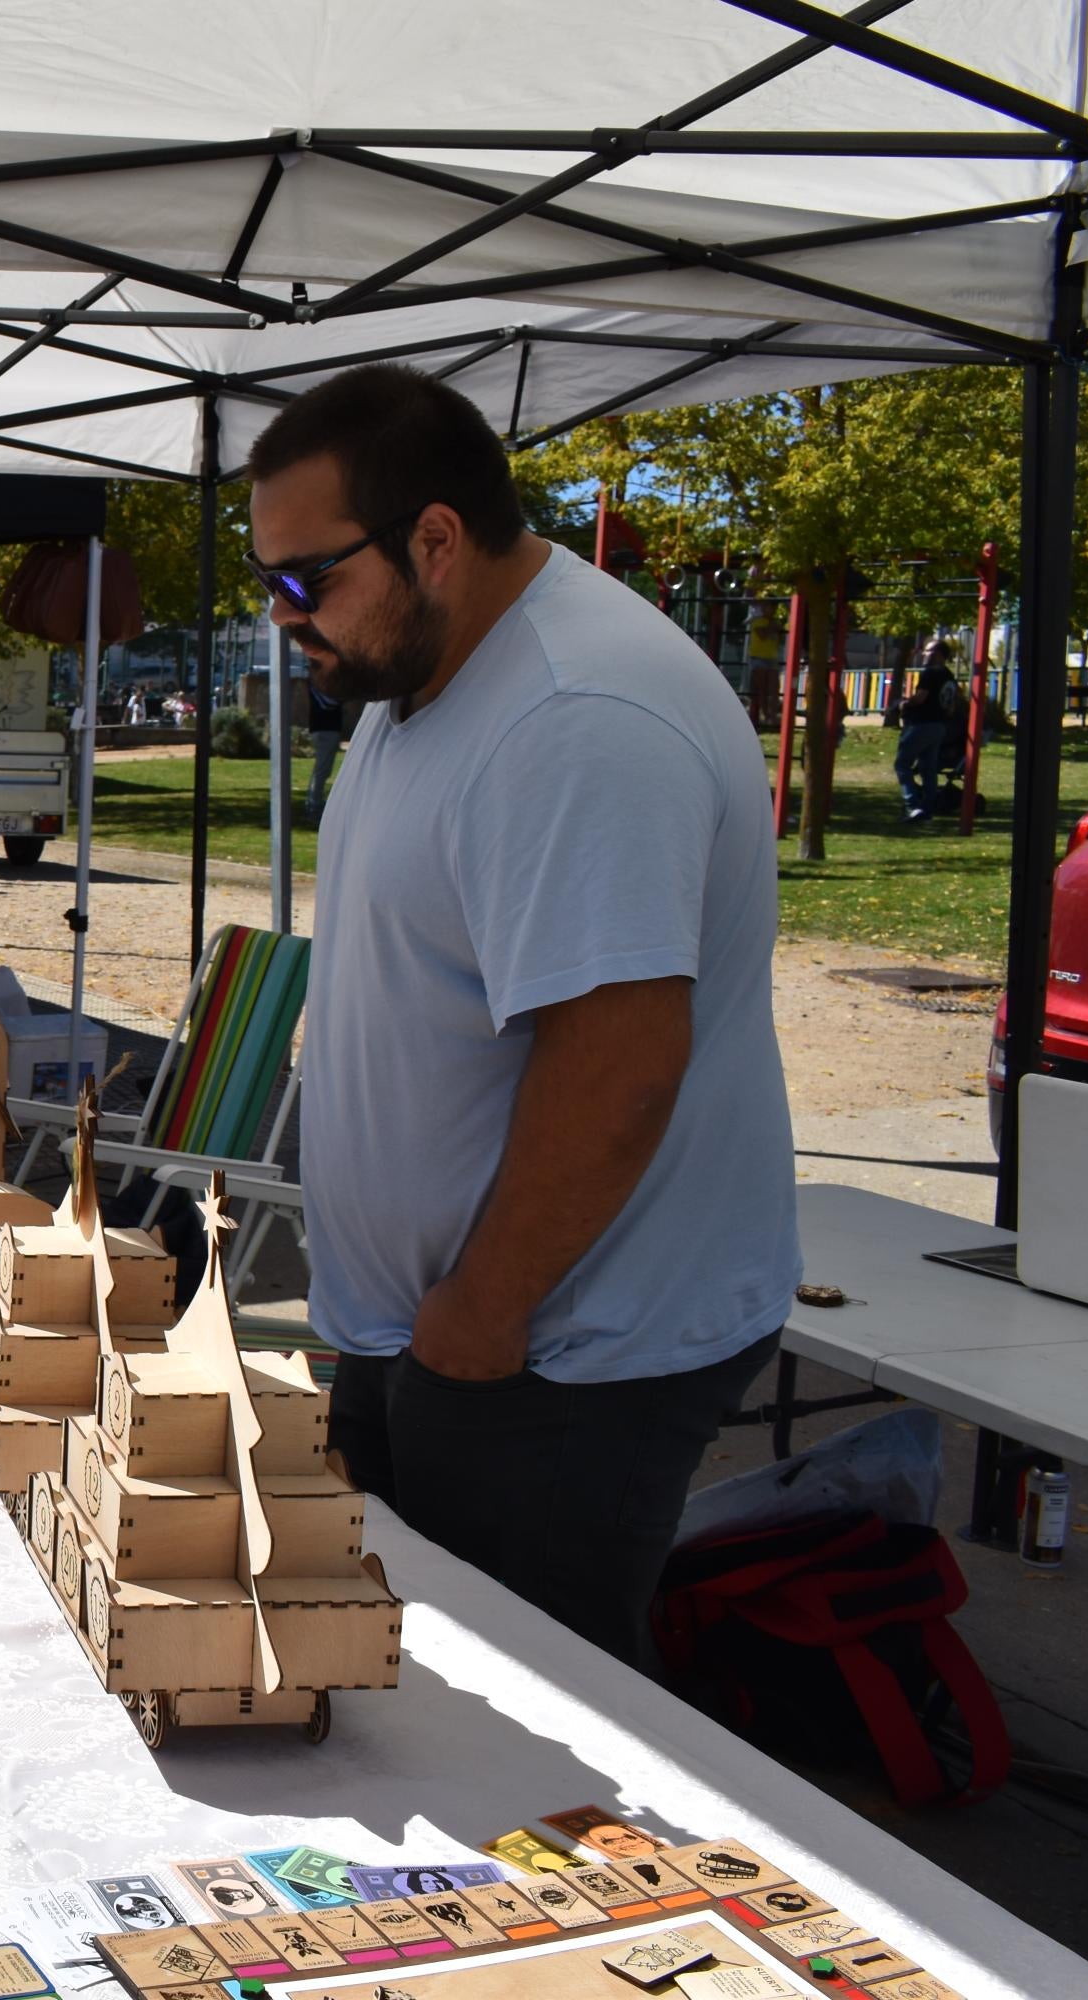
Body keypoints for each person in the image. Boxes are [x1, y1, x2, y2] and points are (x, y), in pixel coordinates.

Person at [244, 362, 794, 1665]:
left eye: (305, 580)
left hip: (552, 1357)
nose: (281, 618)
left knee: (537, 1742)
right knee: (405, 1692)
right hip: (449, 1339)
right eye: (264, 585)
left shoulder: (573, 712)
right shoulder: (423, 668)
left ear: (434, 539)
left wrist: (476, 1320)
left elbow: (618, 1068)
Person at [896, 637, 959, 821]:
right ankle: (928, 808)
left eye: (928, 651)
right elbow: (951, 706)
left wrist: (904, 703)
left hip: (921, 724)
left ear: (938, 655)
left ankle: (912, 805)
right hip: (939, 726)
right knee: (928, 768)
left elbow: (921, 698)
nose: (924, 654)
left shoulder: (930, 673)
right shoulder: (949, 676)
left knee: (902, 764)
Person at [303, 674, 346, 817]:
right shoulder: (317, 685)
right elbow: (328, 703)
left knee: (322, 769)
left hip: (326, 729)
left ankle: (313, 801)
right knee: (322, 770)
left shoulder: (319, 685)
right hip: (325, 729)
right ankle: (314, 804)